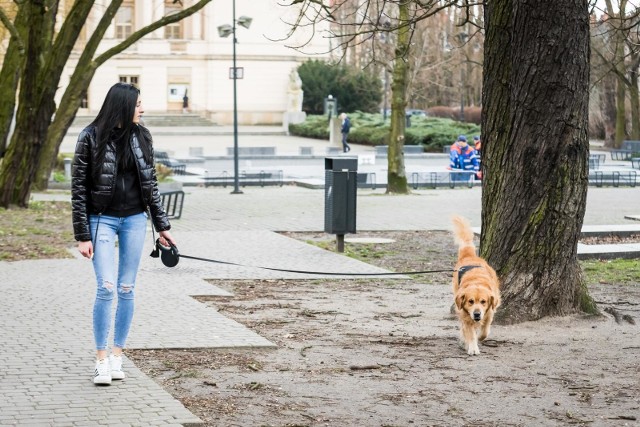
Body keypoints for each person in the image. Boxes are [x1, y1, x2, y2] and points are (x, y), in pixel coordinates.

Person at [71, 82, 176, 386]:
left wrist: (162, 228)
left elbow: (151, 185)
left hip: (133, 220)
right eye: (138, 104)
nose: (142, 109)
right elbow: (78, 189)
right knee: (105, 287)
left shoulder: (142, 136)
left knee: (126, 288)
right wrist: (82, 234)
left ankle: (118, 355)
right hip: (101, 219)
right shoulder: (90, 137)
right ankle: (101, 359)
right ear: (123, 105)